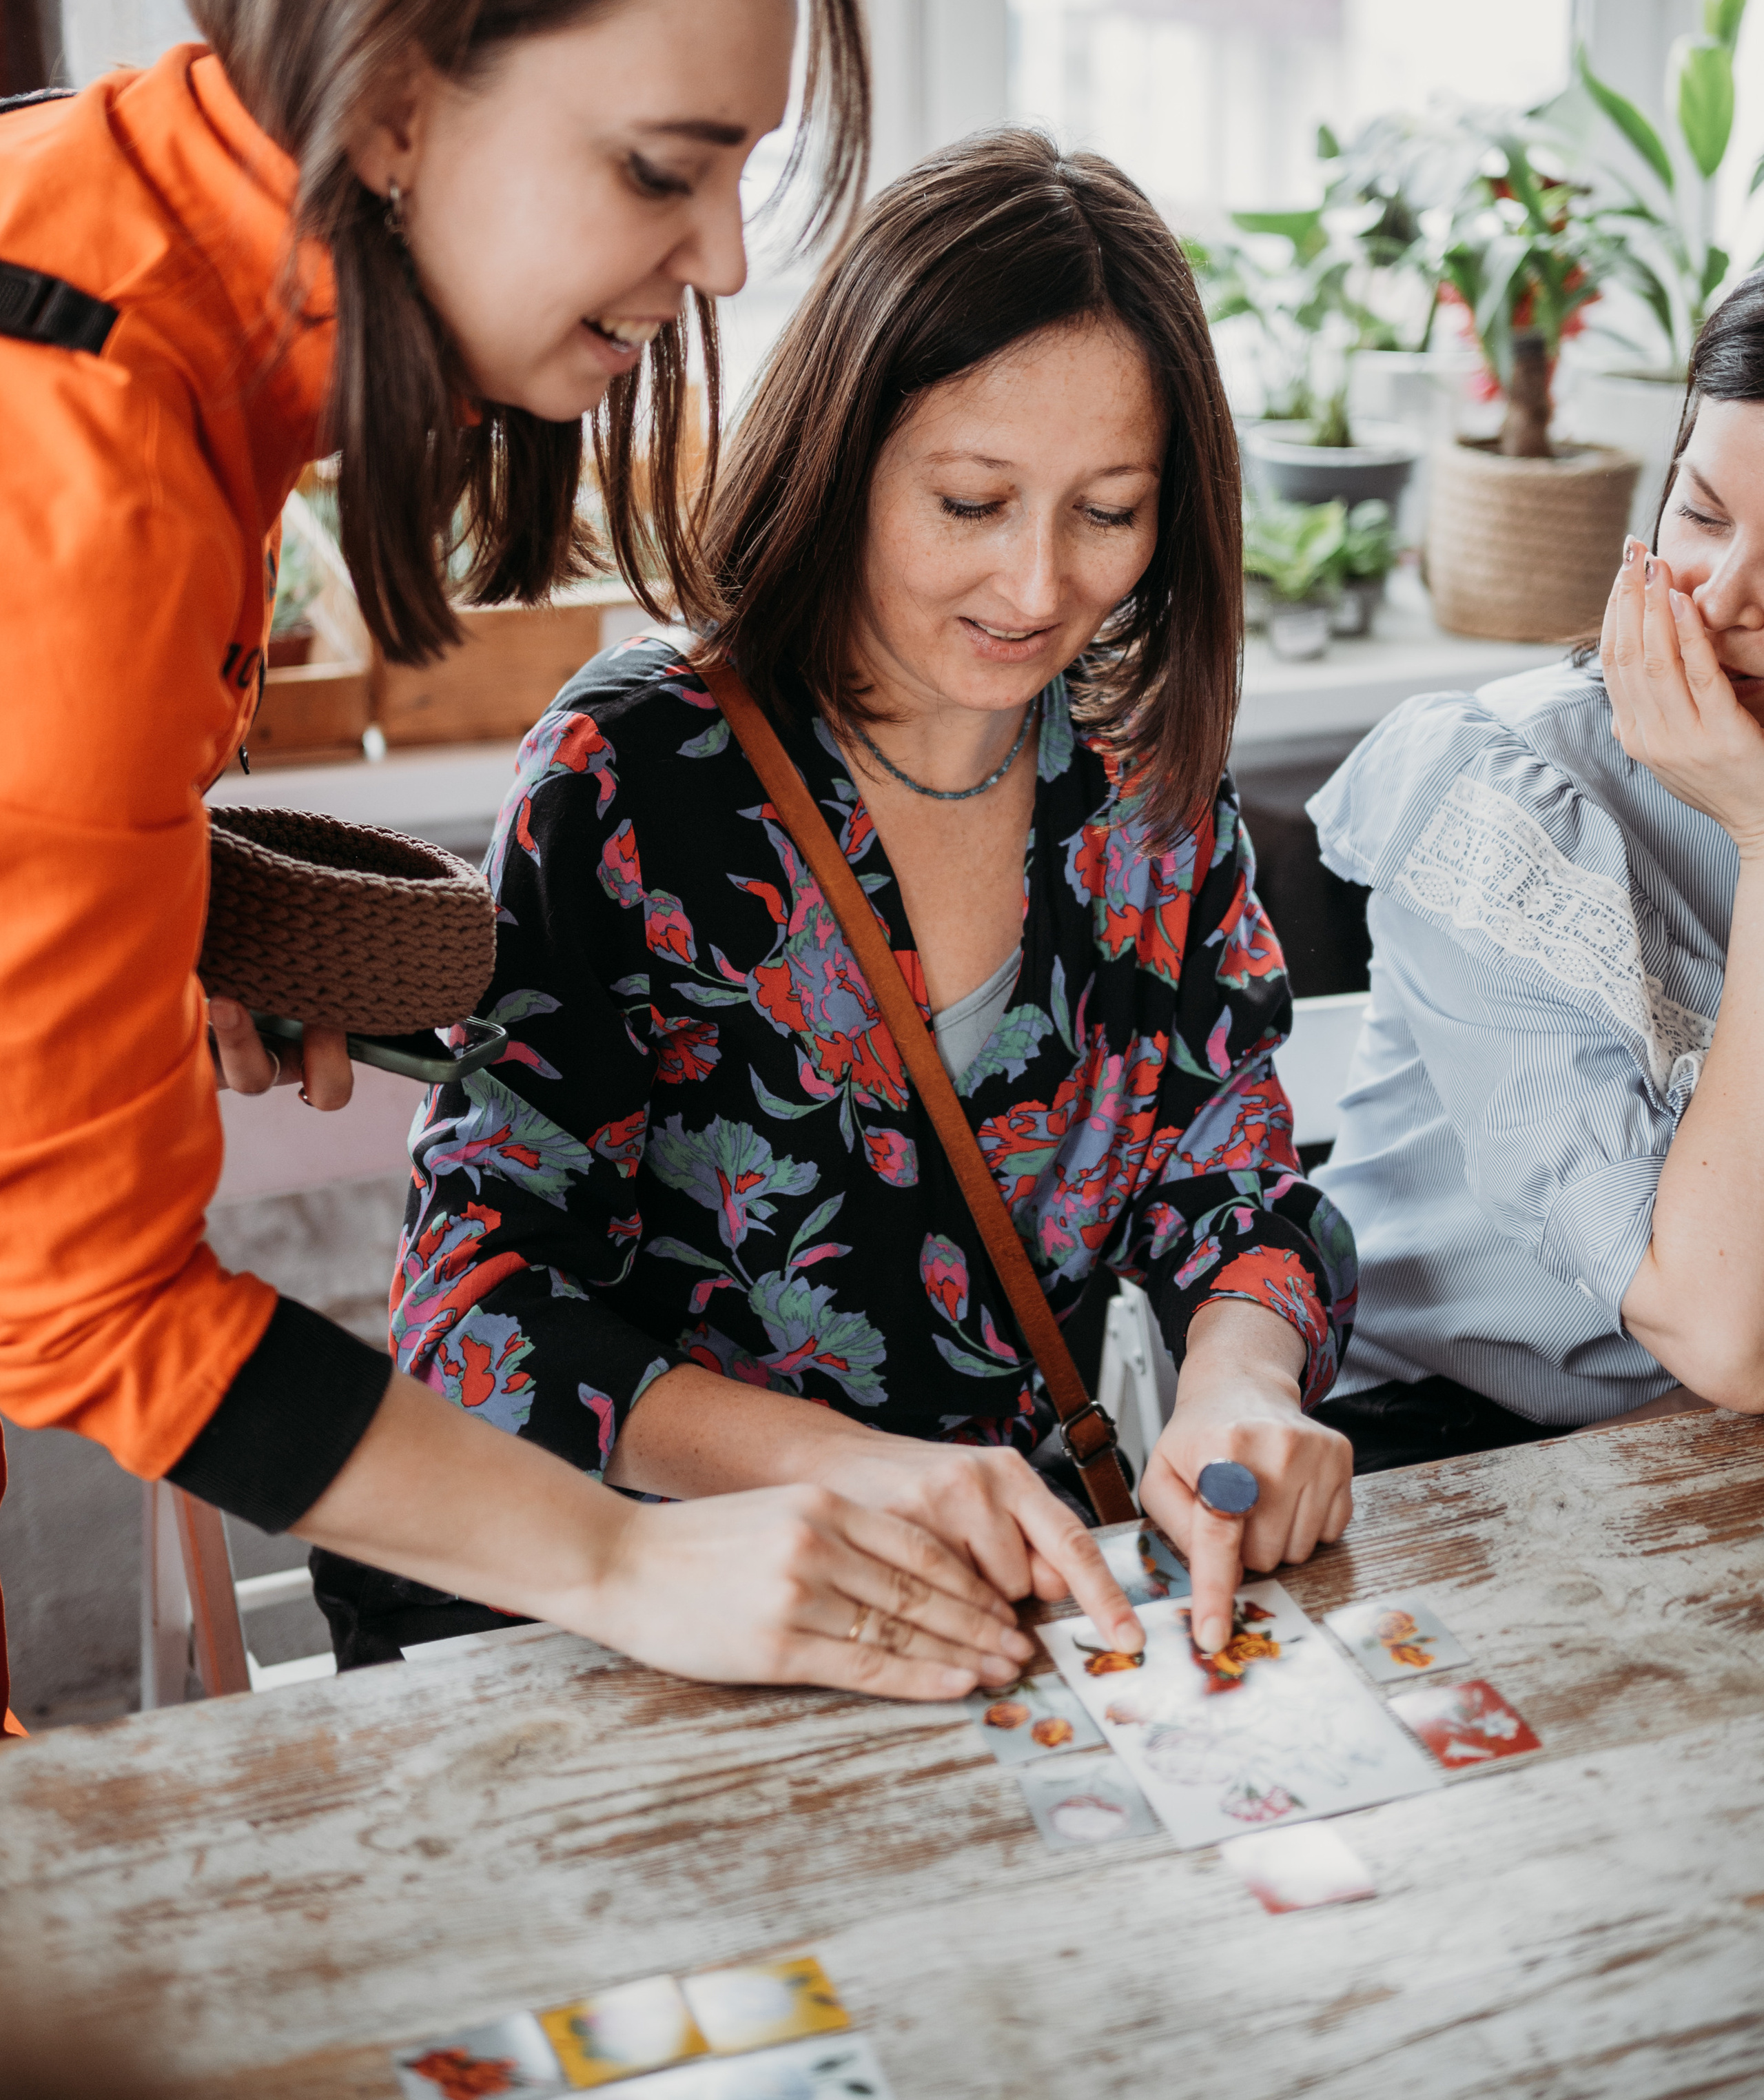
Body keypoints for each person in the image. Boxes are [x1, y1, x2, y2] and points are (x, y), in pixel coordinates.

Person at [0, 0, 1045, 1733]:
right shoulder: (89, 438)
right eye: (667, 171)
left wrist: (148, 899)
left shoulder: (109, 224)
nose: (727, 258)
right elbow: (86, 1308)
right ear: (395, 105)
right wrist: (622, 1559)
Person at [324, 130, 1359, 1672]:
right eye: (968, 502)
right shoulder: (634, 776)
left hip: (1011, 1619)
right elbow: (479, 1306)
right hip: (668, 1613)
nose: (1035, 586)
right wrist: (850, 1469)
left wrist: (1239, 1386)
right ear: (843, 456)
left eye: (1107, 509)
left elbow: (1233, 1176)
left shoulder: (1143, 777)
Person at [1306, 275, 1764, 1474]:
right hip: (1447, 1460)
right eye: (1703, 515)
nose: (1723, 603)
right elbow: (1725, 1333)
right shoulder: (1496, 792)